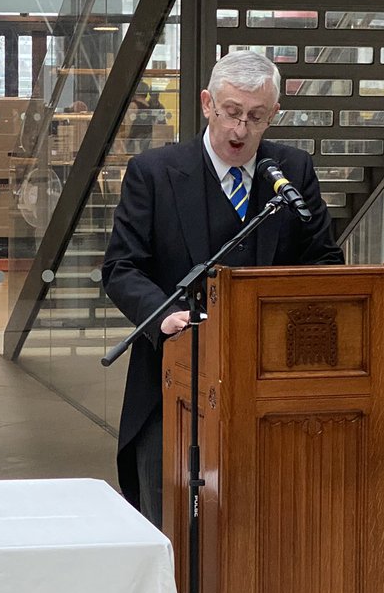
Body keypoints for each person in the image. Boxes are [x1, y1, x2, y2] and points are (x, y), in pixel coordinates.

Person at [101, 50, 344, 527]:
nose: (240, 130)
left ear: (274, 114)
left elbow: (324, 262)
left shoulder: (292, 171)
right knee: (170, 526)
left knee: (258, 527)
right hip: (171, 383)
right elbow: (122, 268)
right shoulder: (153, 173)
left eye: (256, 117)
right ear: (208, 103)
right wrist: (161, 315)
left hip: (267, 384)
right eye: (232, 113)